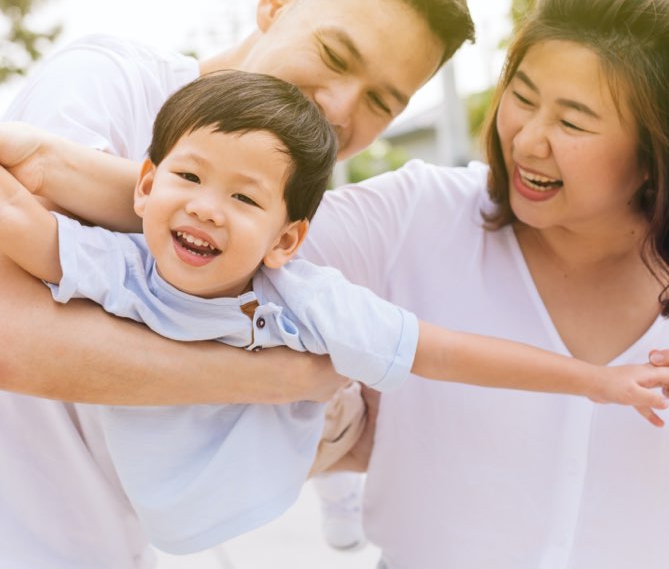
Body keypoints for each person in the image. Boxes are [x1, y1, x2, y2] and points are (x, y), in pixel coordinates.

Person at [4, 72, 669, 556]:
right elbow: (22, 224)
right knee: (321, 368)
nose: (207, 207)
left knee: (339, 373)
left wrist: (594, 381)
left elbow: (444, 350)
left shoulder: (303, 294)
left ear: (286, 240)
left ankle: (342, 490)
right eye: (189, 178)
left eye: (242, 196)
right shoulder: (122, 267)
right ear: (144, 186)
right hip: (174, 498)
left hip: (283, 453)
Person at [0, 0, 478, 569]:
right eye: (336, 57)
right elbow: (17, 339)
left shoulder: (287, 230)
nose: (340, 108)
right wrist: (280, 379)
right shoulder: (109, 83)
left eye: (382, 103)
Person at [298, 0, 669, 568]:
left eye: (572, 122)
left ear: (654, 152)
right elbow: (220, 237)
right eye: (521, 98)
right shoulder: (417, 215)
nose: (526, 141)